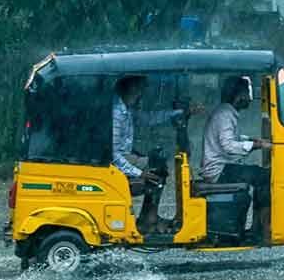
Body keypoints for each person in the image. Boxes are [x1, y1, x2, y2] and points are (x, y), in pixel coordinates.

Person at [113, 75, 201, 232]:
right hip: (115, 161)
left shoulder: (127, 109)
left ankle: (148, 216)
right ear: (132, 89)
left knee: (157, 161)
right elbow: (114, 155)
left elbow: (149, 118)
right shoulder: (117, 114)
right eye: (140, 90)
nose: (142, 94)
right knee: (155, 168)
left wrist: (179, 112)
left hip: (125, 155)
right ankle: (149, 218)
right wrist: (139, 173)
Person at [200, 76, 272, 243]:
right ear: (239, 95)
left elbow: (234, 137)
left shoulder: (225, 112)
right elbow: (229, 146)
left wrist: (255, 141)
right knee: (264, 177)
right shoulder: (225, 115)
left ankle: (256, 227)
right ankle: (259, 229)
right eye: (247, 93)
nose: (249, 98)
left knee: (257, 174)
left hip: (220, 167)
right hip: (218, 171)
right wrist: (257, 146)